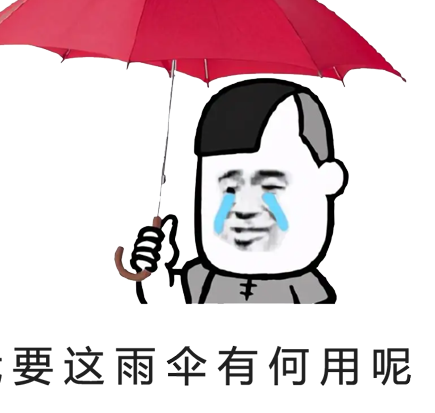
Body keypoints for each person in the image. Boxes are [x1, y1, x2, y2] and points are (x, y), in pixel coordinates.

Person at [128, 78, 348, 304]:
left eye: (270, 188)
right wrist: (154, 272)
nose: (245, 209)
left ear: (329, 180)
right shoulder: (201, 279)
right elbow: (167, 306)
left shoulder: (305, 291)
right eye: (229, 189)